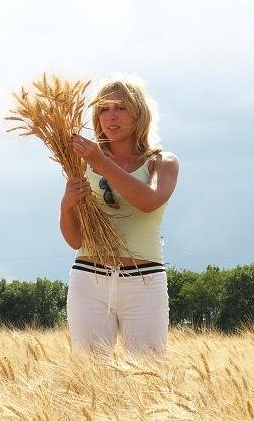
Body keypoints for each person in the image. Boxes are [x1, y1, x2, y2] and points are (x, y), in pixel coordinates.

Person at [59, 75, 179, 355]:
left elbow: (148, 201)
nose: (111, 116)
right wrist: (66, 206)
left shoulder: (162, 162)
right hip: (89, 278)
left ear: (139, 114)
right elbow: (75, 239)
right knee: (89, 377)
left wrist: (101, 162)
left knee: (148, 374)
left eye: (121, 107)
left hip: (144, 280)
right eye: (103, 109)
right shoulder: (81, 163)